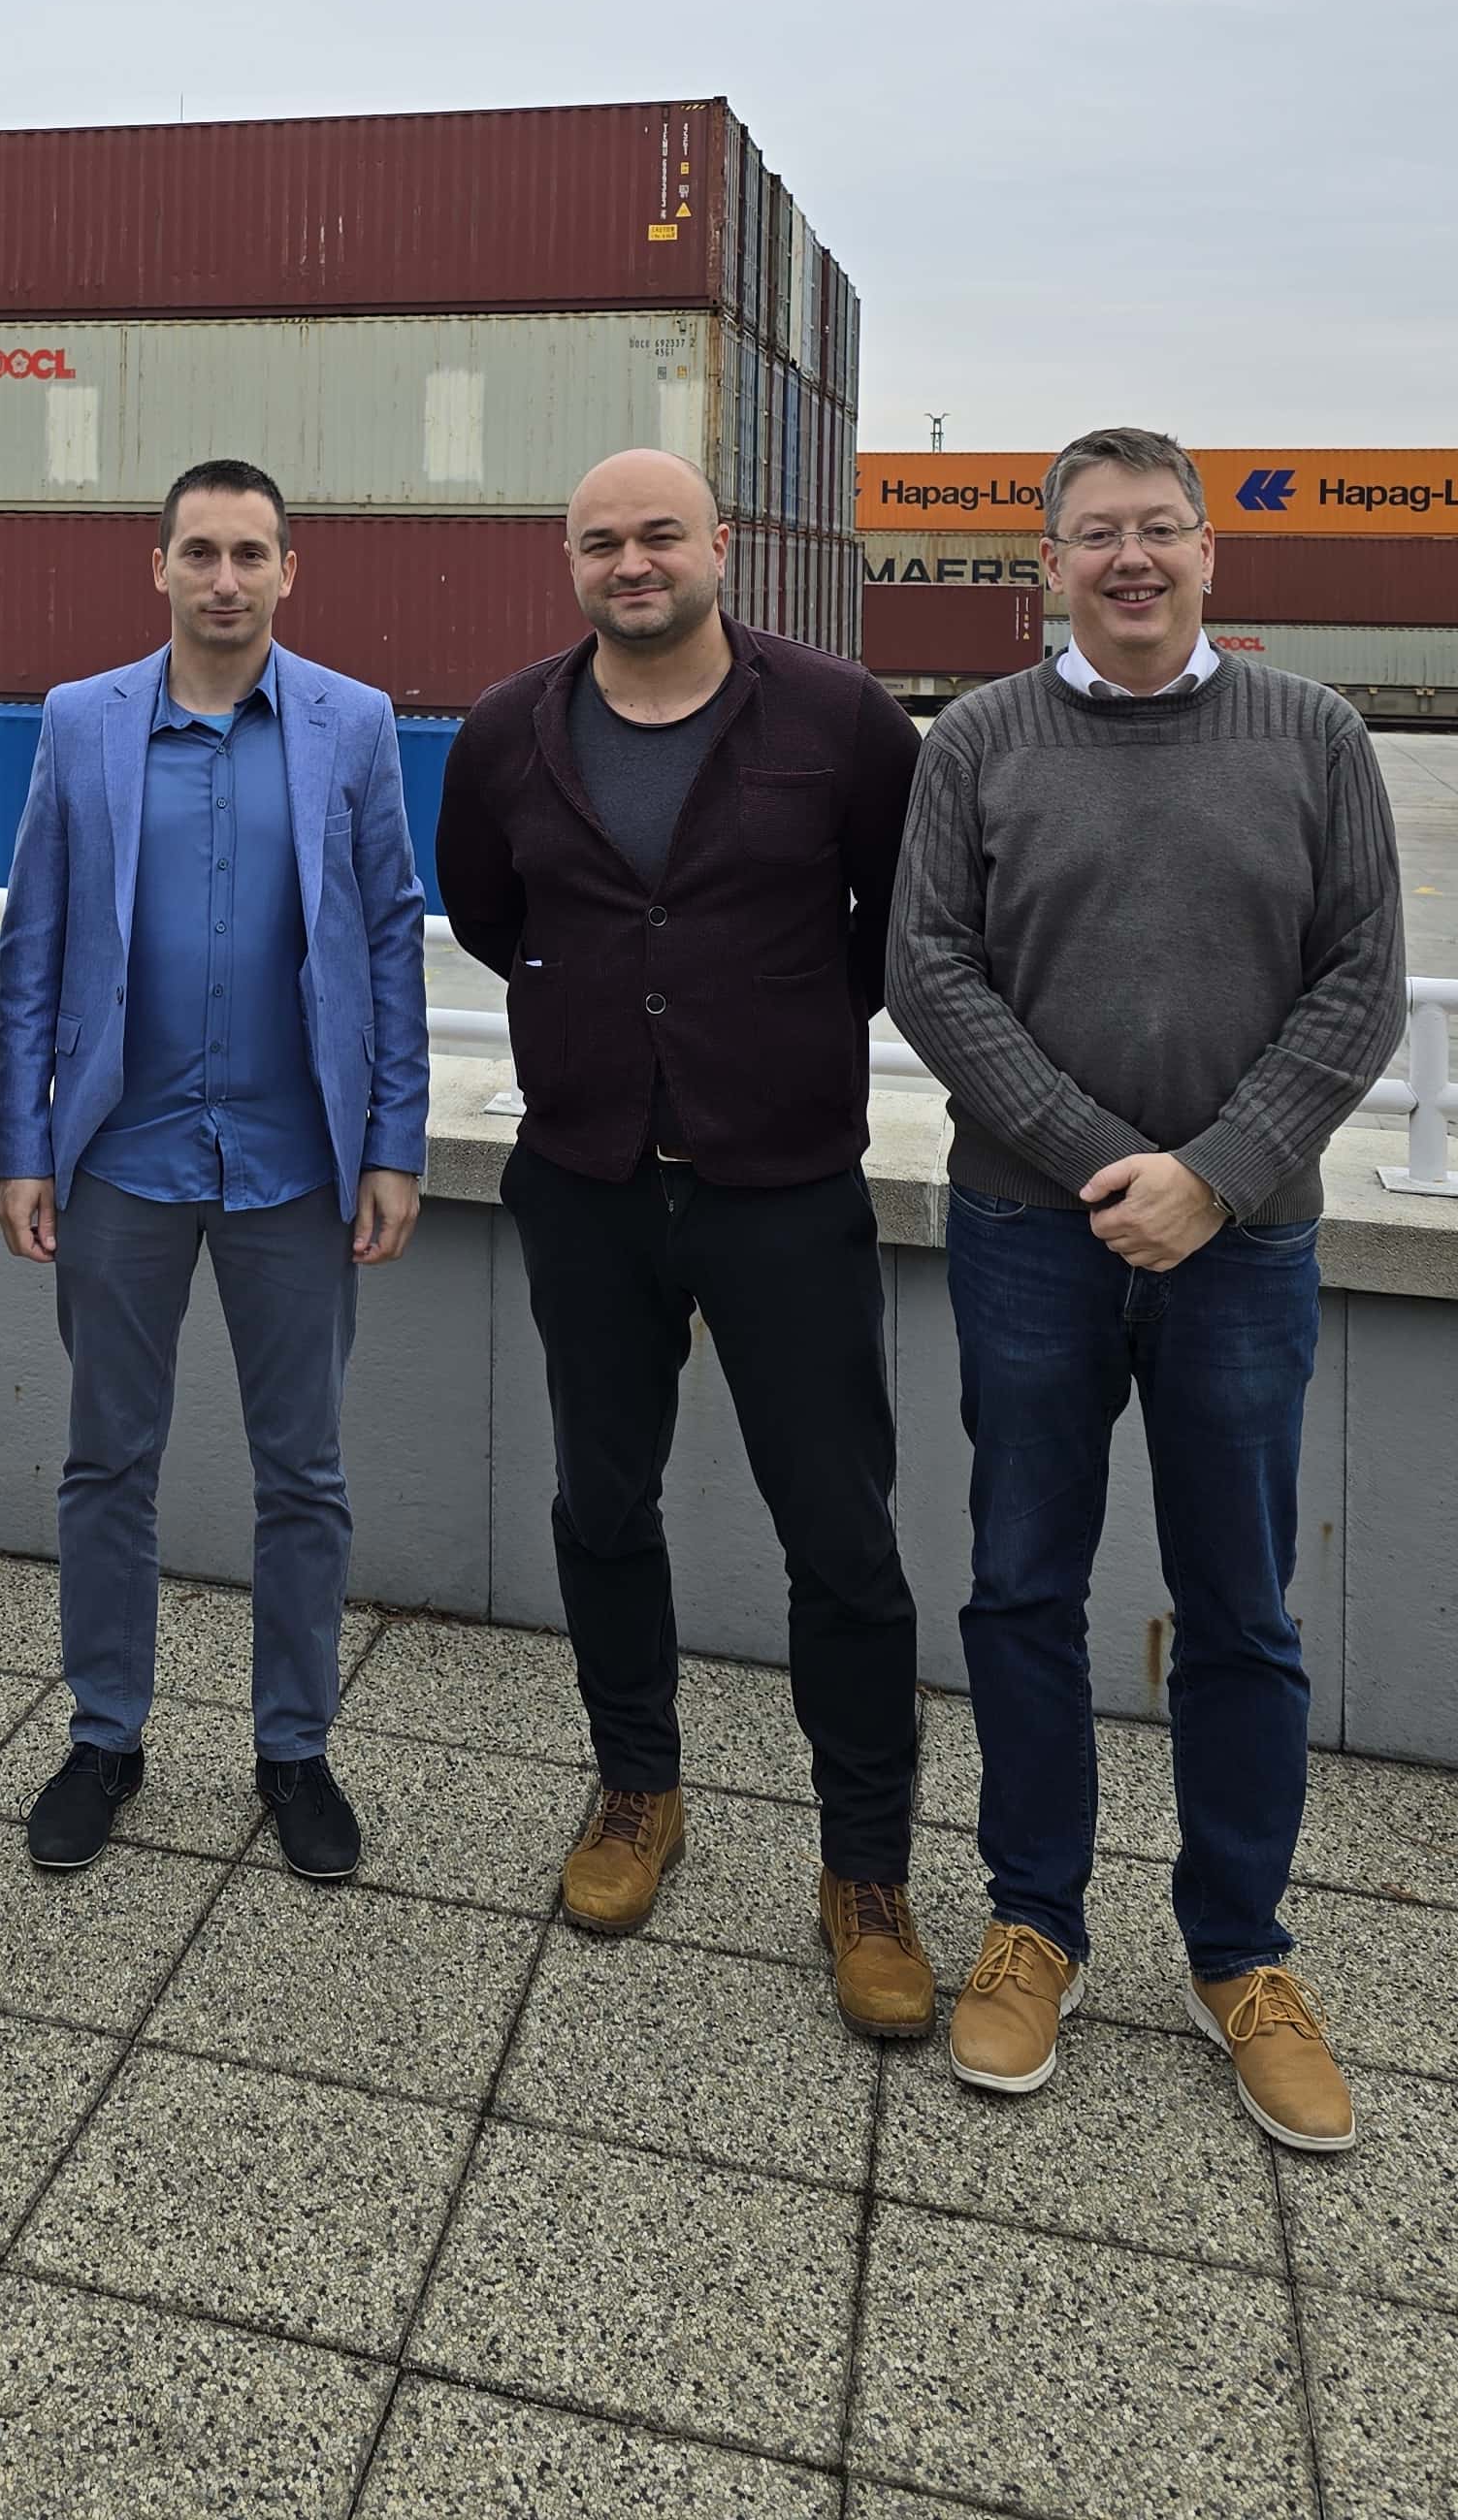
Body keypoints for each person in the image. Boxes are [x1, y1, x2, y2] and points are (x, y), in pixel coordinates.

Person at [889, 426, 1404, 2151]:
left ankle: (1239, 1952)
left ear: (1209, 556)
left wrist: (1216, 1176)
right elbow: (929, 973)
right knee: (1021, 1585)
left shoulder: (1315, 736)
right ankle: (1033, 1921)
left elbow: (1361, 984)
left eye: (1160, 530)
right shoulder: (975, 741)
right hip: (1029, 1237)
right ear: (1046, 565)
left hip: (1244, 1245)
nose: (1131, 558)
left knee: (1241, 1608)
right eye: (1096, 533)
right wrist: (1114, 1164)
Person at [435, 450, 933, 2039]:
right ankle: (636, 1786)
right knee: (602, 1501)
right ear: (569, 561)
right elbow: (487, 912)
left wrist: (762, 1031)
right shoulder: (508, 729)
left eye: (660, 535)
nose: (632, 562)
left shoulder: (843, 721)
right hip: (585, 1176)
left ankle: (866, 1869)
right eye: (602, 541)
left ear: (722, 545)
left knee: (841, 1534)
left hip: (783, 1183)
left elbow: (892, 924)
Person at [0, 461, 429, 1880]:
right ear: (160, 567)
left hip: (297, 1161)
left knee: (303, 1472)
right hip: (122, 1154)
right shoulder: (83, 721)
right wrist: (22, 1145)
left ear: (289, 569)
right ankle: (103, 1737)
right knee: (106, 1461)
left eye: (250, 554)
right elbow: (33, 944)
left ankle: (295, 1748)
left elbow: (389, 938)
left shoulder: (355, 723)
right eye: (200, 553)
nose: (224, 579)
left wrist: (395, 1142)